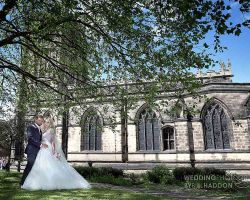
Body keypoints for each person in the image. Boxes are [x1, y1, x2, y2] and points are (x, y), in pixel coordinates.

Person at [21, 117, 91, 190]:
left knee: (48, 166)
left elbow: (53, 142)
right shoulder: (41, 130)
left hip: (47, 148)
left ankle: (49, 183)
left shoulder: (51, 130)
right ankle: (32, 182)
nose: (45, 123)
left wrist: (54, 152)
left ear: (50, 123)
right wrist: (41, 145)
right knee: (39, 166)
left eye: (47, 122)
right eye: (44, 122)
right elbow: (35, 139)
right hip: (41, 149)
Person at [20, 115, 47, 186]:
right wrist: (40, 145)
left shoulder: (40, 130)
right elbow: (30, 139)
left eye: (42, 121)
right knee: (30, 166)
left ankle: (31, 184)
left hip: (38, 151)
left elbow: (39, 140)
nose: (41, 122)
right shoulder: (30, 127)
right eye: (39, 120)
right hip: (31, 151)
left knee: (35, 167)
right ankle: (22, 183)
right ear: (35, 120)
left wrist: (43, 144)